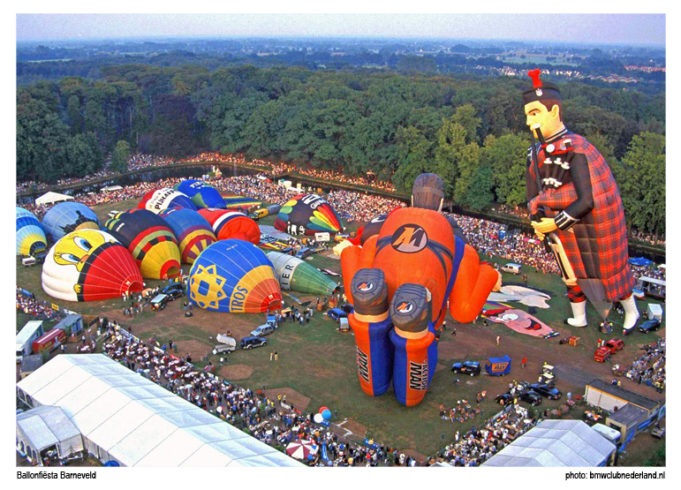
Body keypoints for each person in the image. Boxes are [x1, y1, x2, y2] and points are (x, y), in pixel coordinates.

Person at [523, 69, 638, 331]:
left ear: (554, 112)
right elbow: (533, 195)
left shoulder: (578, 149)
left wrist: (553, 223)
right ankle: (580, 317)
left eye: (535, 114)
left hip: (589, 228)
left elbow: (588, 199)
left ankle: (632, 311)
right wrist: (537, 220)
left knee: (610, 273)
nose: (530, 123)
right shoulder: (535, 154)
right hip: (564, 232)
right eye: (527, 116)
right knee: (570, 275)